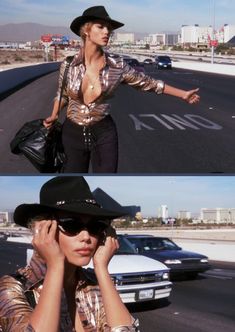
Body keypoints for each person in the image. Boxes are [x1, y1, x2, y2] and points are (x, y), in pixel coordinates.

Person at [44, 6, 200, 173]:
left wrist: (183, 94)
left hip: (104, 131)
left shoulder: (117, 66)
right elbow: (62, 95)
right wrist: (54, 114)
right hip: (72, 133)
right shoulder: (68, 65)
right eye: (100, 26)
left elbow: (148, 83)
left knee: (106, 180)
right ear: (86, 30)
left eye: (109, 29)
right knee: (72, 181)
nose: (107, 32)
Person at [0, 176, 139, 331]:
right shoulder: (13, 288)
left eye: (95, 227)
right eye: (72, 225)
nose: (86, 237)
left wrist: (101, 268)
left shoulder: (95, 283)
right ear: (43, 230)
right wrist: (55, 265)